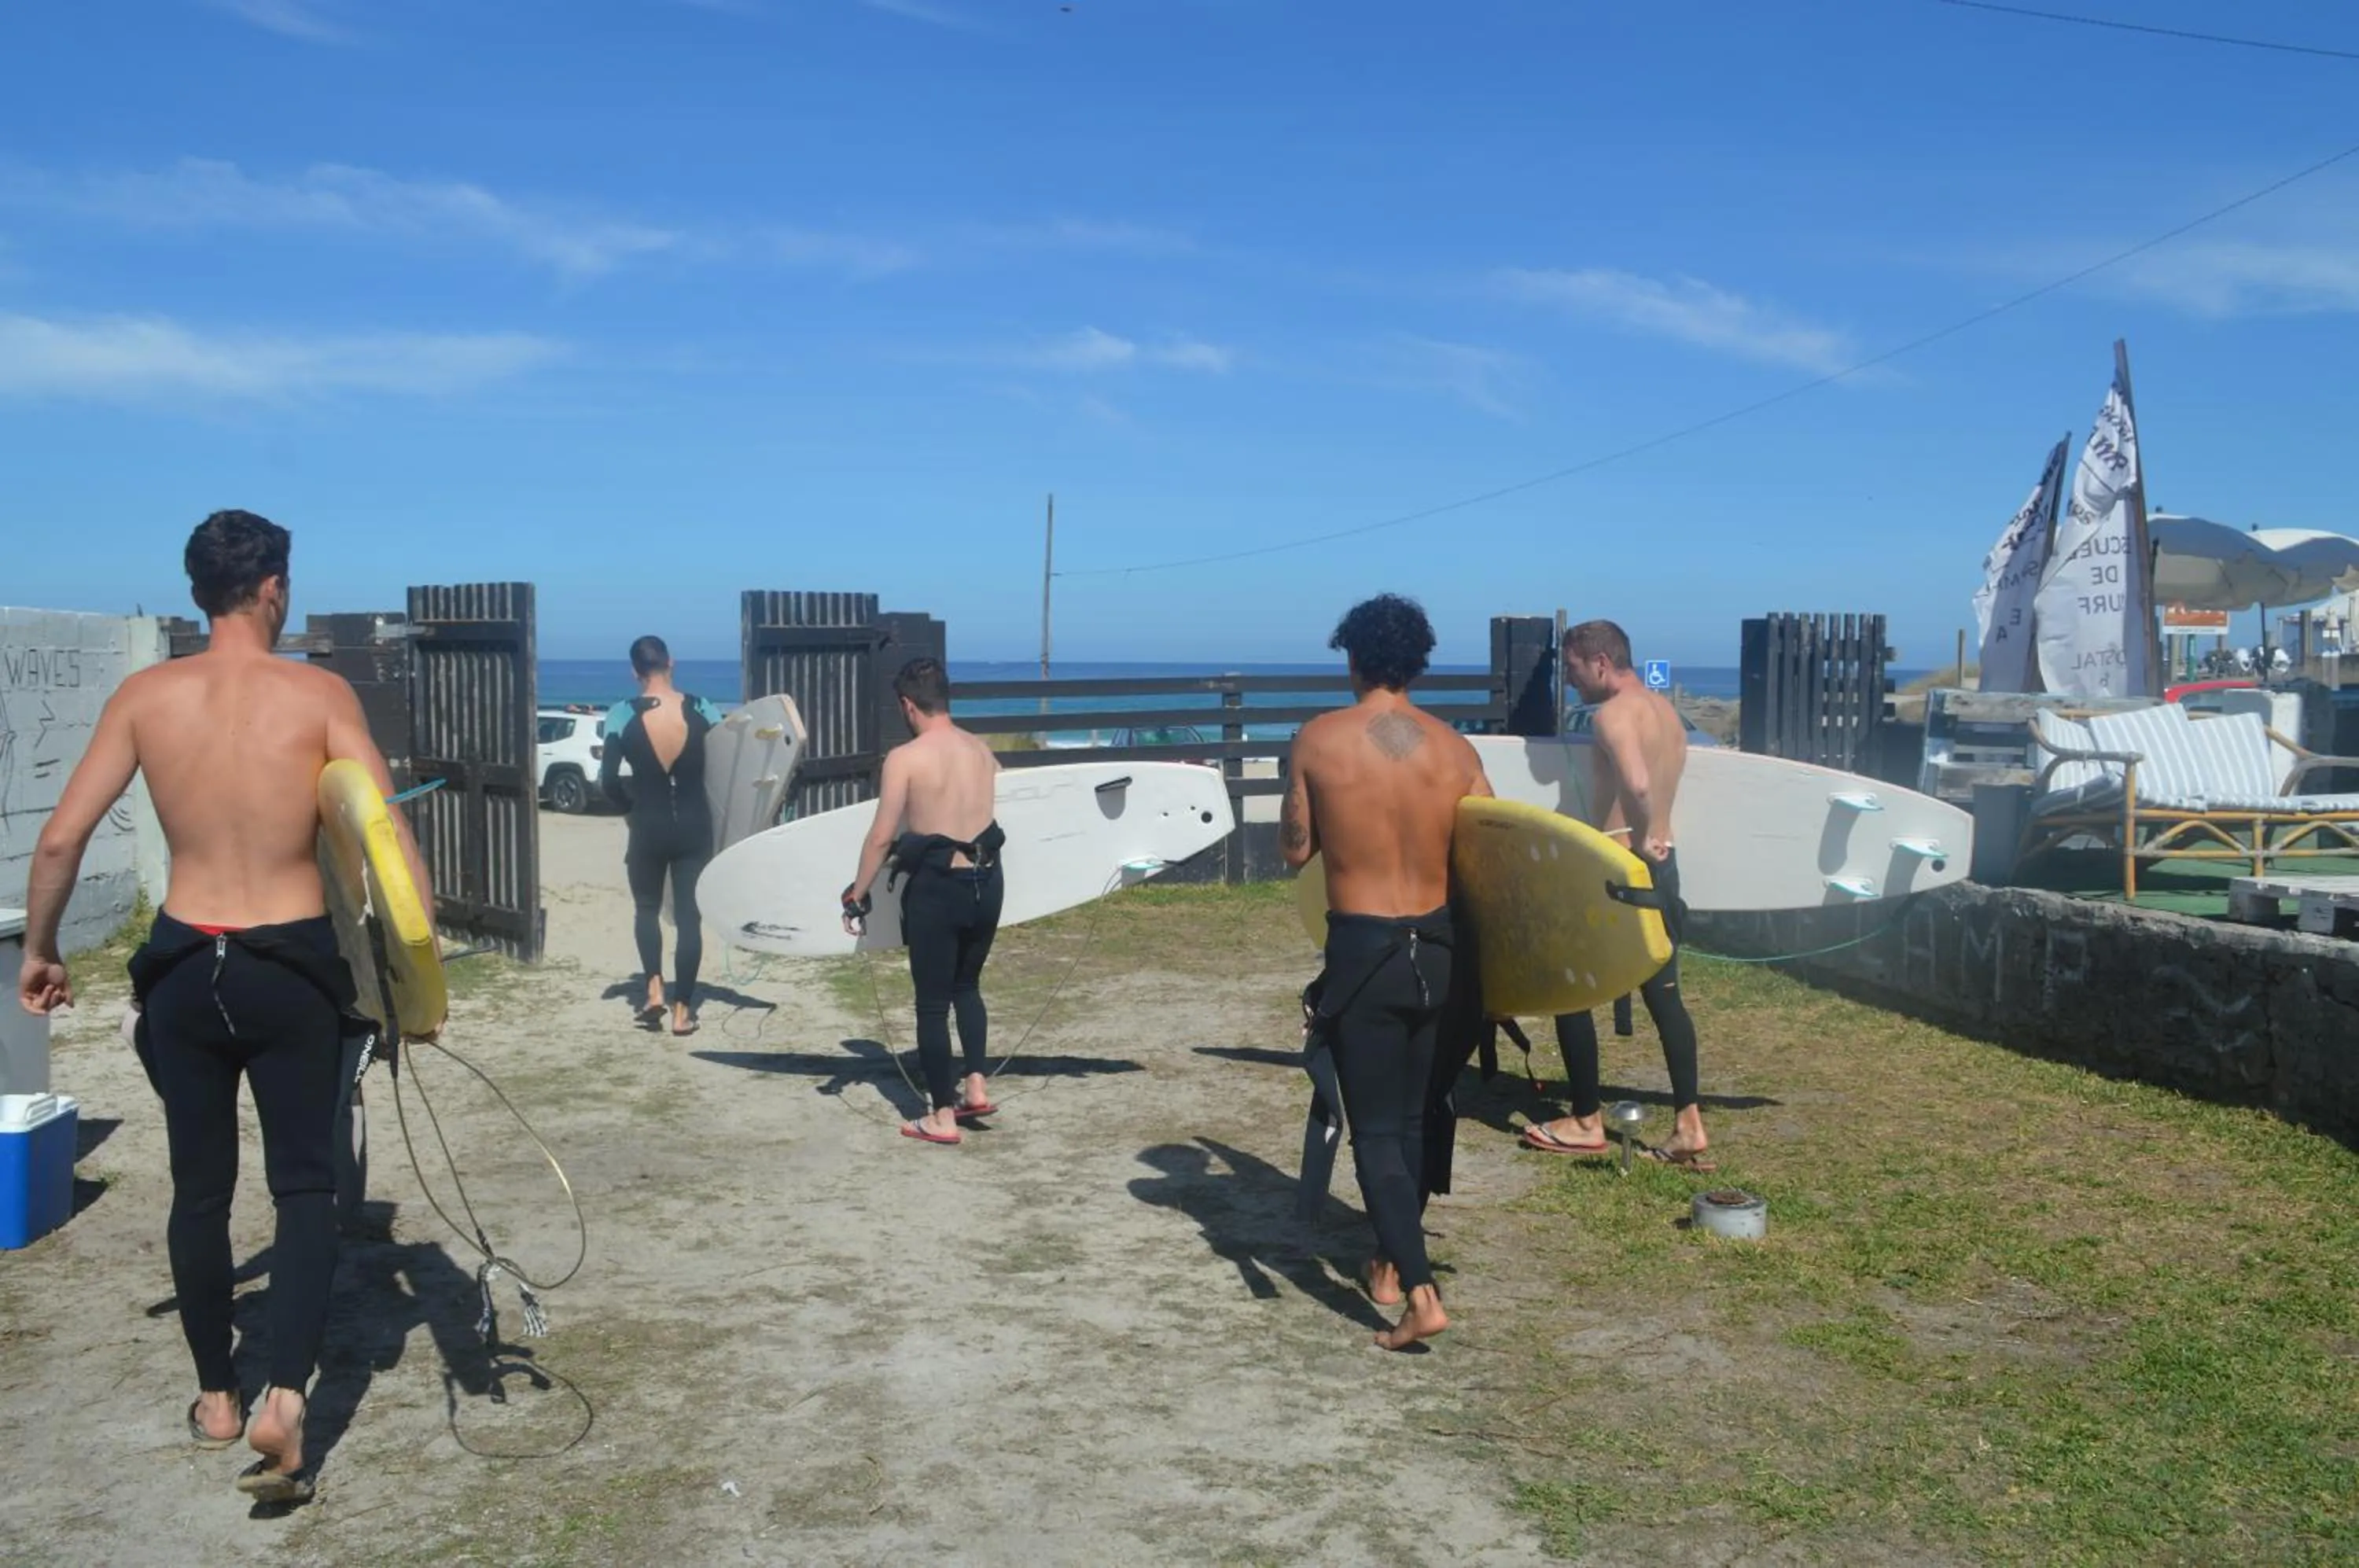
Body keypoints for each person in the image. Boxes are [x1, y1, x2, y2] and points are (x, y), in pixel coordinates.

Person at [17, 510, 433, 1504]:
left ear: (197, 591)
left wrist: (39, 950)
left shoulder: (145, 695)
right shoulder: (321, 693)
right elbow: (388, 849)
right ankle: (284, 1395)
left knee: (198, 1189)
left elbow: (60, 841)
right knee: (303, 1187)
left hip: (183, 968)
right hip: (292, 968)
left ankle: (214, 1393)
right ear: (275, 588)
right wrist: (418, 986)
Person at [1283, 594, 1492, 1352]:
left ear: (1352, 657)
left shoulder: (1320, 739)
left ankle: (1420, 1289)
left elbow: (1295, 849)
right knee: (1411, 1117)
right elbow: (1489, 856)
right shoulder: (1456, 750)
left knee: (1372, 1129)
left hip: (1365, 950)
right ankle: (1385, 1260)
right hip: (1438, 952)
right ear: (1419, 662)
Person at [1522, 619, 1713, 1169]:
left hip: (1620, 868)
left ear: (1600, 662)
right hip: (1662, 869)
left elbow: (1637, 783)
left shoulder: (1611, 716)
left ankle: (1585, 1120)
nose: (1572, 683)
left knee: (1572, 986)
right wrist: (1659, 839)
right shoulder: (1666, 714)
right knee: (1665, 997)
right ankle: (1688, 1127)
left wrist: (1645, 831)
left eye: (1575, 670)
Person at [843, 657, 1004, 1147]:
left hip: (938, 890)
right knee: (968, 988)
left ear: (908, 705)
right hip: (988, 882)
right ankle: (975, 1086)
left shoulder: (906, 758)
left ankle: (940, 1116)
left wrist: (858, 893)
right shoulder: (983, 752)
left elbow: (881, 837)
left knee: (932, 1007)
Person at [599, 636, 724, 1037]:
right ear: (671, 662)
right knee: (690, 920)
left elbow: (607, 781)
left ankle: (653, 990)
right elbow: (732, 762)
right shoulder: (703, 708)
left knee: (646, 909)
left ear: (635, 671)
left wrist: (629, 811)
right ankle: (682, 1012)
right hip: (694, 826)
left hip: (647, 825)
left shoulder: (621, 714)